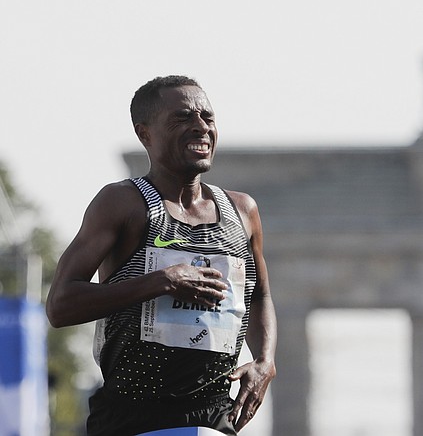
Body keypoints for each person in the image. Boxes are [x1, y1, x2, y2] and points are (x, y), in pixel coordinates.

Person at [46, 76, 277, 435]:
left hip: (214, 415)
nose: (201, 127)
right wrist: (161, 282)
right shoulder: (124, 203)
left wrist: (265, 361)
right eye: (183, 118)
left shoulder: (242, 210)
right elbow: (61, 304)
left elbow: (259, 295)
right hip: (132, 415)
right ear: (145, 134)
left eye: (208, 117)